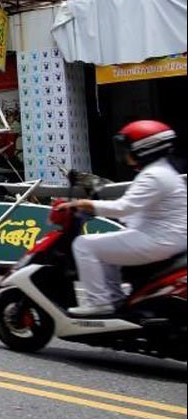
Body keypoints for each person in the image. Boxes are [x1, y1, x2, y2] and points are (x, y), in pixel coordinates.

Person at [59, 120, 187, 316]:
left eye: (128, 149)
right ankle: (114, 298)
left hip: (160, 240)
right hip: (167, 237)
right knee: (105, 247)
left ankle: (99, 302)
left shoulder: (154, 176)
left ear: (144, 150)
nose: (124, 154)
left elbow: (123, 208)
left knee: (83, 245)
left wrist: (85, 204)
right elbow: (137, 210)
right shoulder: (161, 171)